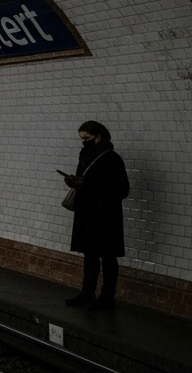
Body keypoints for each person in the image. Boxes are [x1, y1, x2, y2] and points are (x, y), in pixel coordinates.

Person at [64, 121, 130, 310]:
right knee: (90, 255)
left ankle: (107, 297)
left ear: (99, 136)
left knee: (108, 257)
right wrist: (74, 182)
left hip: (106, 216)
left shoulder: (112, 159)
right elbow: (85, 181)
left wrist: (86, 185)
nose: (84, 143)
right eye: (81, 139)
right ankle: (87, 294)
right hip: (88, 213)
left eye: (87, 139)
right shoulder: (85, 155)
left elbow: (122, 190)